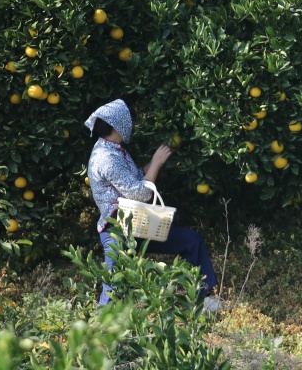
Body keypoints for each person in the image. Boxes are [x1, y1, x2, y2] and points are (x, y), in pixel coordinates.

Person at [84, 99, 219, 309]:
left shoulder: (115, 149)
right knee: (113, 284)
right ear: (118, 125)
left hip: (135, 220)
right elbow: (141, 193)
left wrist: (156, 161)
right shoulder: (106, 157)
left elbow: (137, 178)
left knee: (191, 241)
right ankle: (102, 328)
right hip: (117, 228)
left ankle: (205, 297)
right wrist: (156, 162)